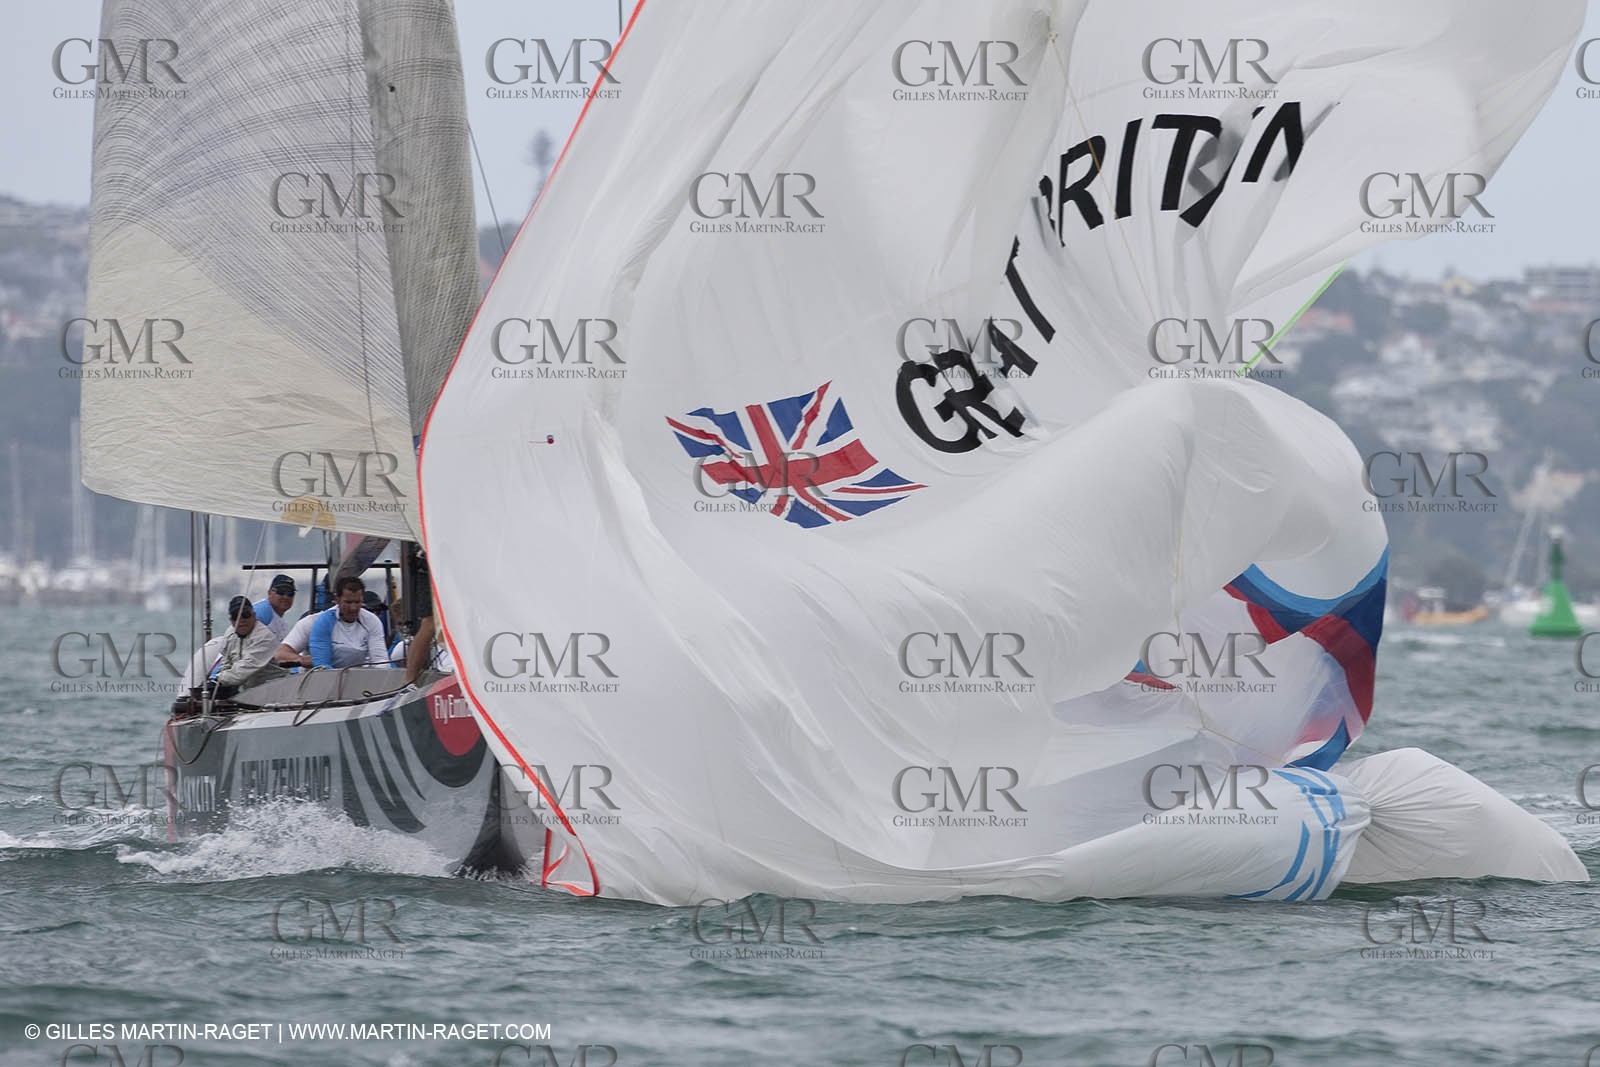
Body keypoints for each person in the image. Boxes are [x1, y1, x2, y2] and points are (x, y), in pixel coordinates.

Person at [274, 576, 389, 669]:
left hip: (356, 680)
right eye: (348, 602)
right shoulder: (311, 622)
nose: (353, 608)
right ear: (337, 599)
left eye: (357, 602)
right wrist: (302, 660)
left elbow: (380, 660)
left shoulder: (372, 621)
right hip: (317, 680)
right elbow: (281, 655)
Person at [214, 595, 281, 691]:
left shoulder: (265, 637)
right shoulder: (230, 633)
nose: (241, 620)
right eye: (235, 616)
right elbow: (226, 662)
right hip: (247, 691)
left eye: (245, 614)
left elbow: (241, 673)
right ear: (231, 620)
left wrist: (218, 679)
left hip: (273, 690)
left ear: (254, 615)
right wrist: (218, 679)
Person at [252, 574, 297, 642]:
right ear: (269, 593)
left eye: (290, 593)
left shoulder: (279, 620)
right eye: (281, 592)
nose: (285, 597)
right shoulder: (262, 613)